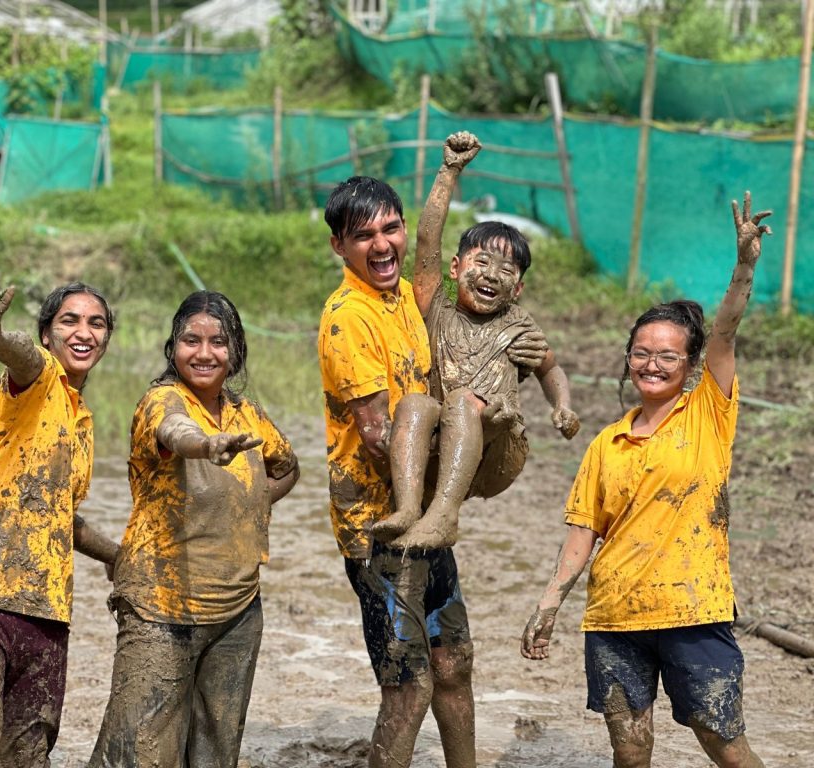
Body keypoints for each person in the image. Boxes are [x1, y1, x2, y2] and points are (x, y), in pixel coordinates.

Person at [520, 191, 771, 768]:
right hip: (614, 617)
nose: (652, 364)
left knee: (724, 744)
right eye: (641, 353)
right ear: (628, 358)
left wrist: (745, 265)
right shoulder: (606, 444)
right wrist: (550, 602)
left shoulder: (708, 412)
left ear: (690, 366)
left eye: (667, 356)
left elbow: (727, 332)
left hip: (693, 611)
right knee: (630, 751)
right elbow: (583, 532)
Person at [318, 176, 546, 768]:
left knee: (453, 662)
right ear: (339, 247)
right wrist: (470, 455)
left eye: (389, 227)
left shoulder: (406, 303)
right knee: (409, 683)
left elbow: (477, 326)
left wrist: (518, 354)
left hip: (427, 516)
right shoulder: (349, 318)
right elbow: (377, 439)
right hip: (384, 527)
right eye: (363, 235)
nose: (382, 243)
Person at [88, 290, 299, 768]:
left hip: (239, 610)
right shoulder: (161, 400)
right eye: (190, 340)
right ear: (173, 348)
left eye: (218, 342)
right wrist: (207, 446)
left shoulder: (248, 413)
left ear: (236, 351)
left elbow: (287, 466)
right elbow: (174, 432)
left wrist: (247, 500)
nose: (204, 354)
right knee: (139, 751)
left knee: (214, 752)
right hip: (162, 606)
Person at [0, 280, 121, 768]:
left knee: (24, 759)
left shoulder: (81, 420)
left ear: (108, 338)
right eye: (70, 322)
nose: (84, 332)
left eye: (96, 323)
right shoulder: (36, 380)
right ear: (46, 335)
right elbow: (21, 358)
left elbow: (56, 515)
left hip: (47, 612)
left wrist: (115, 555)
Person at [373, 131, 580, 550]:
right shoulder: (437, 307)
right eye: (481, 262)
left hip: (497, 447)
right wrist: (449, 170)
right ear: (455, 267)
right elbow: (428, 239)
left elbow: (550, 367)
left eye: (505, 271)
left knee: (466, 402)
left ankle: (444, 515)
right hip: (441, 443)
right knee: (415, 403)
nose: (490, 275)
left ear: (517, 289)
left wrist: (563, 406)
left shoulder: (519, 325)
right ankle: (411, 508)